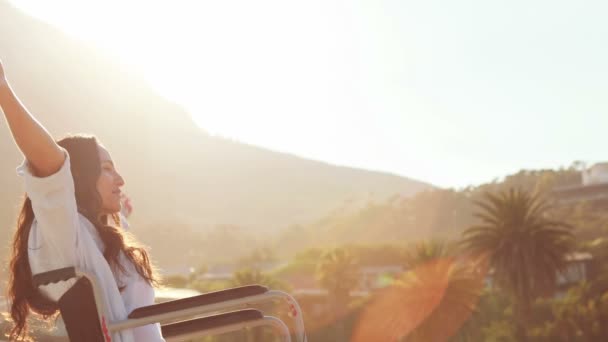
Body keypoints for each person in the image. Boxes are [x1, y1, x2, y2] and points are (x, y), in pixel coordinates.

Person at [0, 59, 165, 341]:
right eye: (107, 169)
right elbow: (51, 163)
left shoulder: (95, 236)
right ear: (79, 177)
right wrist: (3, 91)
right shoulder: (67, 232)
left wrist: (120, 211)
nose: (121, 180)